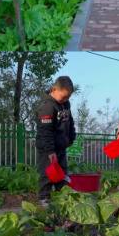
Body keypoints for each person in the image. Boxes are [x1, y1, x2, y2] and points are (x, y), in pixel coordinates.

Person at [35, 76, 76, 206]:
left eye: (68, 97)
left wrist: (71, 137)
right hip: (48, 149)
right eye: (63, 97)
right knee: (47, 174)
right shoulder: (47, 107)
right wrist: (50, 151)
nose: (66, 99)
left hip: (60, 147)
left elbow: (70, 122)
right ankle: (44, 199)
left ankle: (61, 199)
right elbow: (45, 131)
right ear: (54, 90)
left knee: (62, 174)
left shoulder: (65, 104)